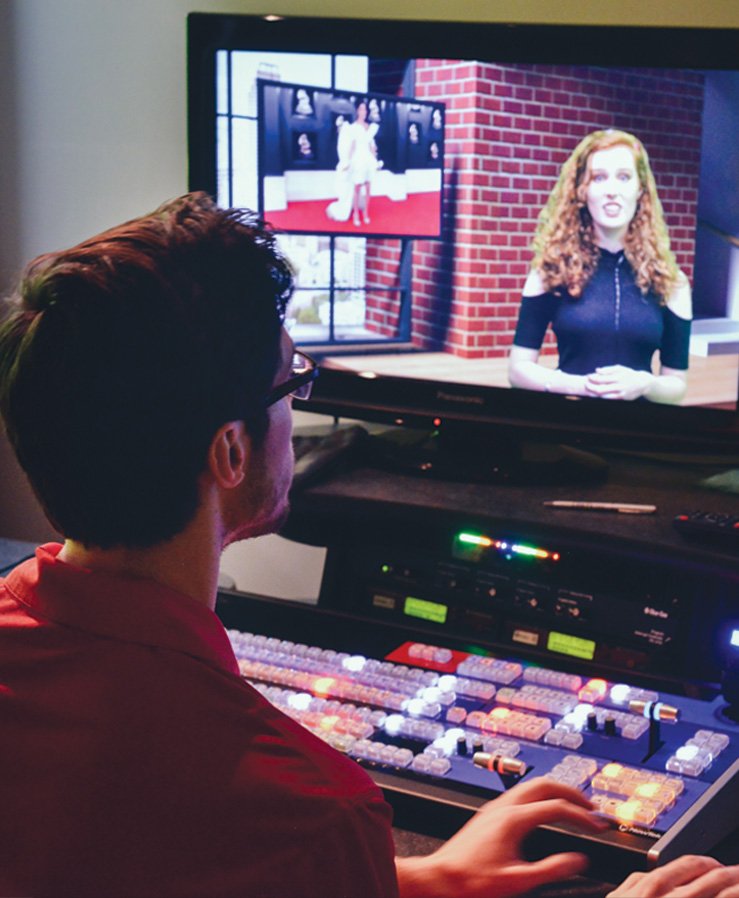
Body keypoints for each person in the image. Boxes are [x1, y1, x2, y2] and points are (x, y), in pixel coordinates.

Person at [0, 193, 736, 898]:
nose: (295, 406)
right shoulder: (305, 810)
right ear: (229, 453)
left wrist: (417, 879)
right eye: (292, 383)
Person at [508, 129, 692, 403]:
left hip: (638, 436)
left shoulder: (671, 281)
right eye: (599, 178)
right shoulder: (550, 271)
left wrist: (645, 384)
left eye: (624, 177)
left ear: (639, 189)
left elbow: (676, 386)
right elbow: (517, 371)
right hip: (567, 428)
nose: (612, 191)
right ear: (583, 190)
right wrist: (579, 386)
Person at [346, 99, 379, 227]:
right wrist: (348, 162)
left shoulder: (370, 127)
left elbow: (371, 145)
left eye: (365, 109)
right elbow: (352, 146)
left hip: (368, 159)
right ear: (357, 111)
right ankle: (355, 214)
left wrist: (375, 156)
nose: (363, 112)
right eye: (361, 109)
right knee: (357, 188)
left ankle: (365, 213)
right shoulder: (353, 127)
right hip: (358, 159)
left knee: (369, 188)